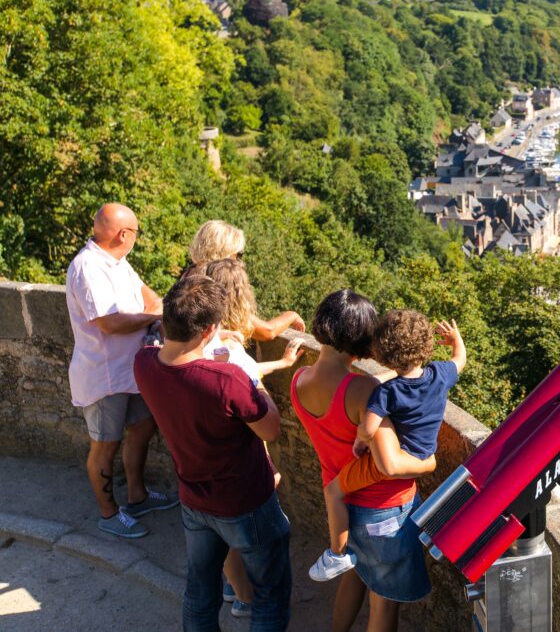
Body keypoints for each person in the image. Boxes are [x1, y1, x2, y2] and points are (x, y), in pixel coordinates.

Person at [134, 275, 292, 632]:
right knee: (269, 596)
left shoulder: (143, 363)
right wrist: (253, 380)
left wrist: (213, 341)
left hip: (193, 499)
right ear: (209, 330)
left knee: (200, 592)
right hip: (245, 502)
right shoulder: (226, 379)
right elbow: (271, 429)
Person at [290, 292, 435, 631]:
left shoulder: (300, 381)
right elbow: (391, 465)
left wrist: (374, 383)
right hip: (384, 509)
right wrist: (429, 464)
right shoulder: (363, 391)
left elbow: (346, 396)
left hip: (342, 505)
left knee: (356, 573)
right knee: (384, 602)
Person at [65, 203, 179, 539]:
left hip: (132, 371)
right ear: (124, 234)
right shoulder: (88, 267)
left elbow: (153, 299)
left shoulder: (118, 263)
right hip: (105, 377)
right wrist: (149, 318)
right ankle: (108, 514)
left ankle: (137, 496)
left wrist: (151, 312)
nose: (136, 239)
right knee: (105, 446)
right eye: (136, 233)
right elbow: (111, 323)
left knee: (142, 429)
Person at [202, 257, 303, 618]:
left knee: (222, 523)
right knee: (245, 528)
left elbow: (239, 370)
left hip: (204, 451)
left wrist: (278, 365)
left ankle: (234, 589)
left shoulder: (197, 342)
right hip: (239, 451)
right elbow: (265, 422)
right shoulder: (231, 351)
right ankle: (247, 597)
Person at [186, 220, 305, 341]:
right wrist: (291, 316)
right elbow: (267, 331)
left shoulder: (190, 274)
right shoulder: (216, 282)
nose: (239, 261)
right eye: (238, 254)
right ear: (225, 253)